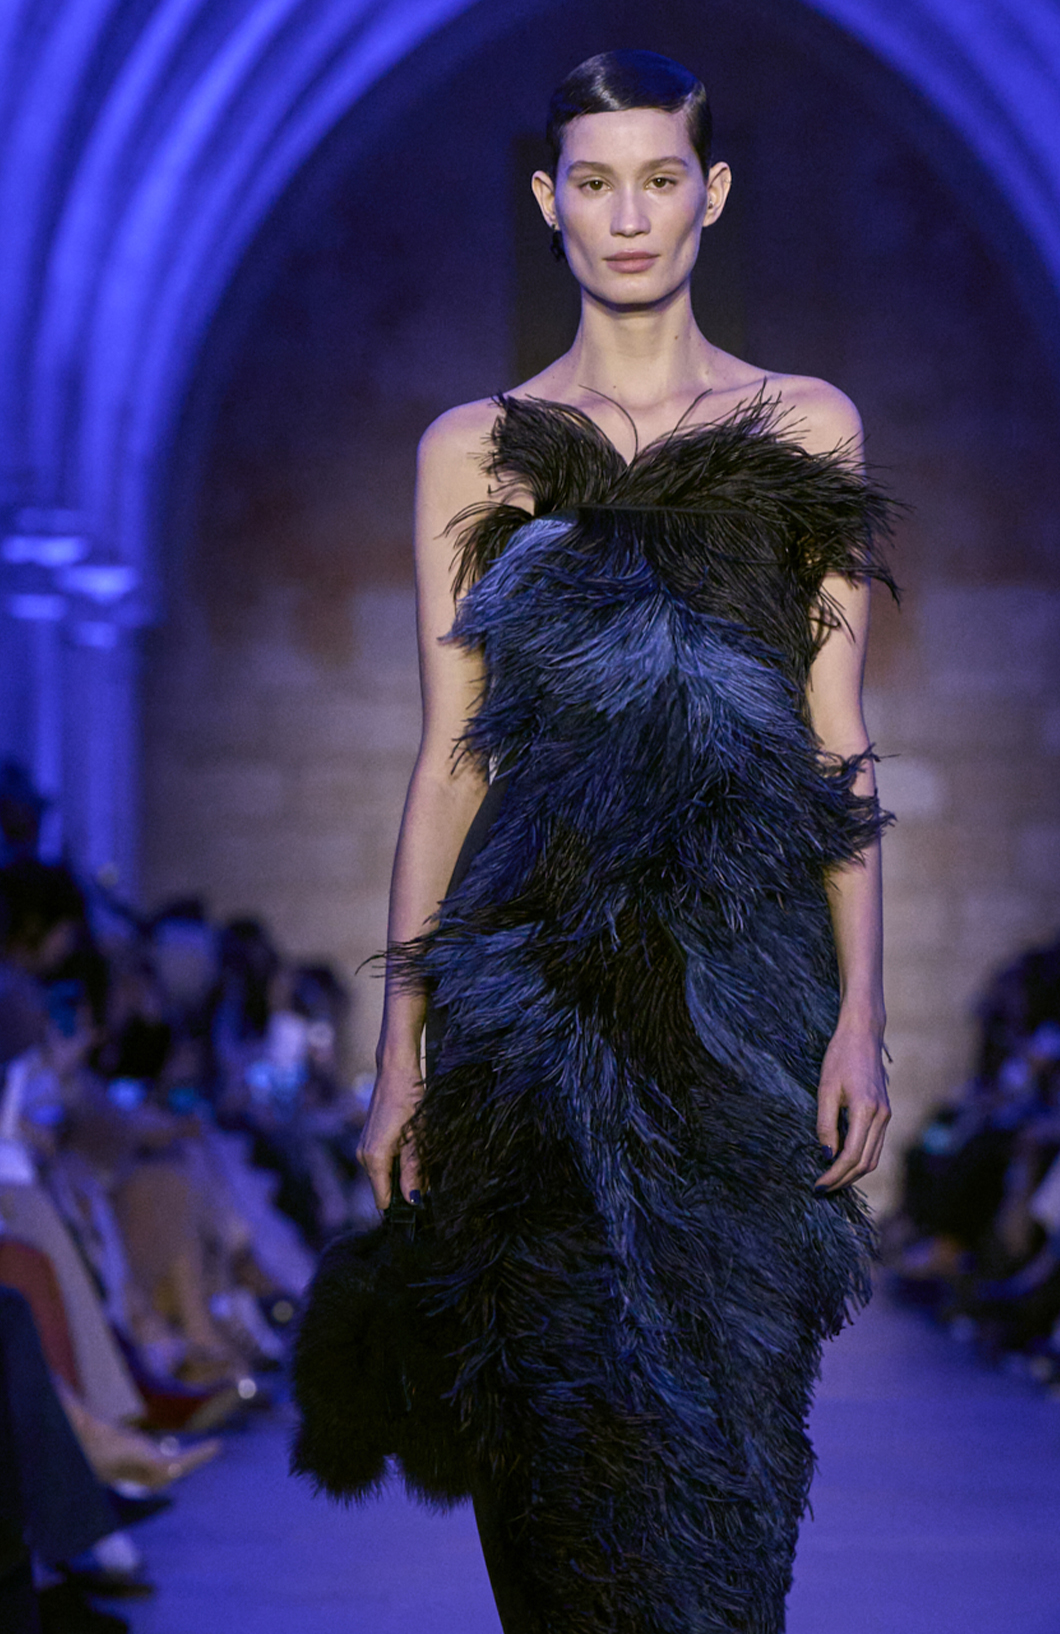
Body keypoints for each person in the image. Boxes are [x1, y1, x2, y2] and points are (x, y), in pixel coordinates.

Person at [292, 49, 897, 1633]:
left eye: (660, 179)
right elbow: (451, 758)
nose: (630, 215)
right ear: (548, 202)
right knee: (547, 1421)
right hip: (528, 1005)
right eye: (597, 182)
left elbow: (837, 740)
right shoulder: (472, 448)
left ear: (712, 194)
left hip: (742, 1004)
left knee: (733, 1436)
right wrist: (398, 1050)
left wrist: (863, 1014)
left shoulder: (804, 426)